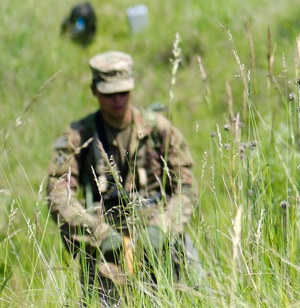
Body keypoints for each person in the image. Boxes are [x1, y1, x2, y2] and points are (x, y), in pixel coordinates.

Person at [46, 51, 198, 306]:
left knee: (193, 288)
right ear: (94, 90)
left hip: (160, 232)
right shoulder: (78, 135)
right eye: (109, 94)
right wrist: (98, 233)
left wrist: (163, 227)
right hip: (105, 239)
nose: (117, 100)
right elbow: (58, 195)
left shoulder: (159, 130)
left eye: (123, 92)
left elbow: (186, 188)